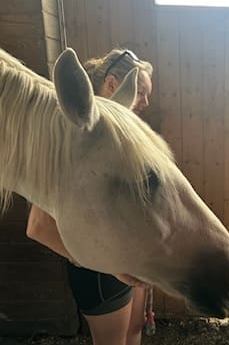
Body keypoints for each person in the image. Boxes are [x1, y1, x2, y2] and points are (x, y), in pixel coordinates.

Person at [27, 48, 153, 345]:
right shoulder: (71, 137)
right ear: (112, 84)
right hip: (102, 271)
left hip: (131, 261)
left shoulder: (120, 134)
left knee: (134, 333)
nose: (146, 102)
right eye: (141, 92)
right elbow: (38, 226)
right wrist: (111, 265)